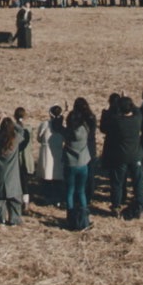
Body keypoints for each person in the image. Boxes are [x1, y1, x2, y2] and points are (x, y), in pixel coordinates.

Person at [62, 97, 95, 232]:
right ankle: (84, 218)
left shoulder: (67, 132)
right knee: (81, 191)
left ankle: (70, 218)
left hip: (70, 163)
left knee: (69, 191)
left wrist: (65, 112)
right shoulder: (85, 130)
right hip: (83, 163)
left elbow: (58, 125)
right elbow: (89, 119)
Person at [0, 116, 25, 225]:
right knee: (15, 200)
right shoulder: (15, 139)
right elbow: (22, 130)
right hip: (13, 175)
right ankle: (14, 219)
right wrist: (13, 123)